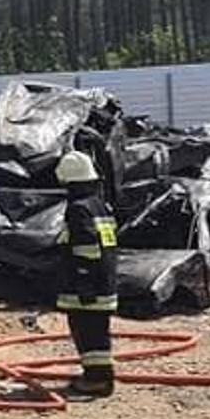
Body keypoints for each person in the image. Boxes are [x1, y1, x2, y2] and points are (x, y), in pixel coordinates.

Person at [55, 151, 119, 398]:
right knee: (97, 334)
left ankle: (97, 381)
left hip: (88, 287)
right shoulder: (99, 205)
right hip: (104, 283)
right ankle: (98, 376)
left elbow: (86, 247)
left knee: (88, 335)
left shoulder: (78, 209)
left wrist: (83, 283)